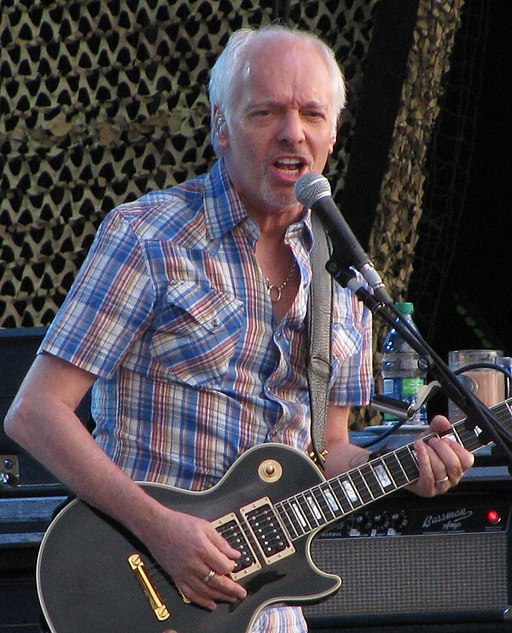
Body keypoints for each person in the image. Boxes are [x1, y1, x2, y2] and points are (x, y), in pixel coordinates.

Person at [5, 24, 474, 633]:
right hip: (143, 580)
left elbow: (327, 450)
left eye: (312, 113)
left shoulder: (345, 270)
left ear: (332, 134)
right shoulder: (150, 237)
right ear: (220, 128)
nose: (292, 131)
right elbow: (35, 414)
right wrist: (161, 529)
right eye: (266, 112)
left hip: (271, 607)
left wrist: (415, 469)